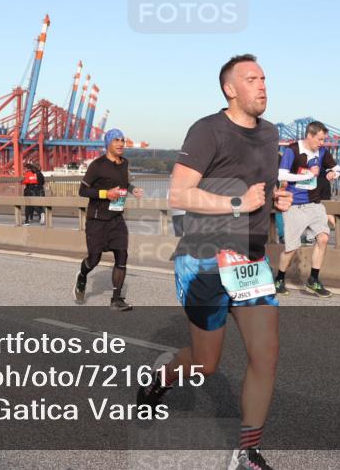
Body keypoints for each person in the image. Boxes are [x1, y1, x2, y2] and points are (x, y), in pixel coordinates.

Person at [136, 54, 293, 470]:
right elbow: (179, 194)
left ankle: (246, 453)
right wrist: (238, 202)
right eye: (252, 78)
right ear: (230, 88)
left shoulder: (272, 134)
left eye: (264, 77)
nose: (262, 85)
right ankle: (163, 377)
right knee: (206, 365)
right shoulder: (207, 130)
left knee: (266, 355)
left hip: (249, 260)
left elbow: (262, 184)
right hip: (204, 258)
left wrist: (276, 199)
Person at [73, 128, 145, 311]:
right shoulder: (97, 165)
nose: (121, 144)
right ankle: (82, 275)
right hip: (97, 219)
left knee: (122, 255)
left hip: (116, 218)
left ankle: (116, 299)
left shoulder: (124, 163)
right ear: (108, 144)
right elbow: (83, 191)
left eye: (122, 140)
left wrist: (132, 189)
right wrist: (106, 193)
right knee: (94, 259)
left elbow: (123, 182)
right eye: (116, 140)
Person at [274, 121, 340, 297]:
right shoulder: (292, 150)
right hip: (294, 205)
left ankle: (313, 280)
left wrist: (334, 173)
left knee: (323, 238)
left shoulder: (322, 152)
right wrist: (306, 174)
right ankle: (279, 279)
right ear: (310, 136)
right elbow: (281, 174)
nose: (322, 143)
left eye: (323, 140)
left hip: (314, 203)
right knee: (291, 248)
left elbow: (338, 168)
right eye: (319, 139)